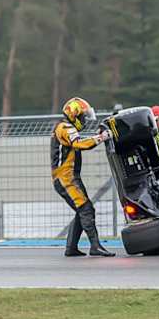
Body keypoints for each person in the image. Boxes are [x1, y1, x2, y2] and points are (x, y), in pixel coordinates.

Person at [52, 97, 114, 257]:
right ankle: (95, 246)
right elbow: (79, 143)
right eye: (82, 116)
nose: (84, 119)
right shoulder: (64, 127)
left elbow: (80, 140)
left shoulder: (66, 127)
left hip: (70, 178)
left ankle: (71, 248)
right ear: (74, 115)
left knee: (83, 209)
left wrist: (97, 136)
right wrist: (102, 137)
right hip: (66, 179)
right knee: (86, 209)